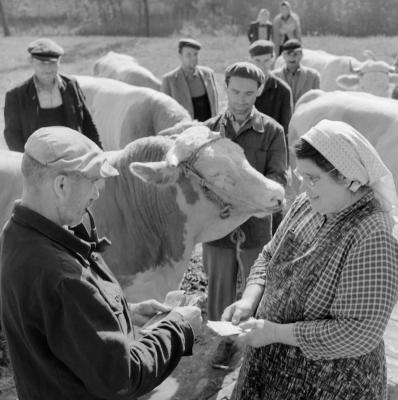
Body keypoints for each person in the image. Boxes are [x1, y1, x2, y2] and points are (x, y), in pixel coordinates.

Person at [0, 126, 202, 400]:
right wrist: (179, 326)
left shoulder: (16, 233)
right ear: (61, 185)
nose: (97, 194)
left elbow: (60, 322)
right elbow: (123, 377)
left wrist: (123, 312)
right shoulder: (64, 278)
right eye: (93, 181)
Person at [222, 119, 398, 400]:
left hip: (331, 384)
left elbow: (358, 331)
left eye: (313, 178)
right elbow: (270, 255)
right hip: (269, 370)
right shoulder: (308, 204)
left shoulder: (373, 233)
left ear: (346, 176)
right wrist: (249, 300)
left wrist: (276, 333)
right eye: (300, 176)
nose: (304, 187)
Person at [204, 62, 287, 368]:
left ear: (260, 92)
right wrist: (215, 201)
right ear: (225, 87)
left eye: (249, 93)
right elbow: (197, 181)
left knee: (256, 285)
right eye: (235, 91)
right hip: (216, 225)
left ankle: (253, 344)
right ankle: (225, 342)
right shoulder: (208, 130)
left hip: (255, 224)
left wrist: (245, 203)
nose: (241, 99)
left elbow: (278, 179)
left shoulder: (272, 132)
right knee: (219, 287)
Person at [3, 38, 102, 152]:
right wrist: (27, 162)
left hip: (72, 156)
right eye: (42, 63)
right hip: (36, 160)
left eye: (53, 63)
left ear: (59, 61)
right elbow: (12, 134)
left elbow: (88, 124)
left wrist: (100, 155)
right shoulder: (16, 95)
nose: (48, 69)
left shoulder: (71, 85)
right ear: (31, 61)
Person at [249, 39, 292, 235]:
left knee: (273, 200)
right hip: (248, 152)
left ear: (274, 60)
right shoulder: (245, 89)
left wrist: (285, 165)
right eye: (257, 61)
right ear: (250, 60)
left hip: (273, 153)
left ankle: (274, 244)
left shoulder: (282, 90)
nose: (262, 66)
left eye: (266, 61)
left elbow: (286, 130)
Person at [161, 38, 218, 121]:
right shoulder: (169, 80)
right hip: (185, 132)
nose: (193, 58)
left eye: (195, 54)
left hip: (209, 129)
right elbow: (165, 113)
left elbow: (214, 106)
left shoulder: (208, 74)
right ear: (180, 56)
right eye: (188, 55)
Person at [273, 39, 320, 106]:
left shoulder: (313, 76)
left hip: (304, 114)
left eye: (296, 54)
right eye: (288, 53)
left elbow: (317, 101)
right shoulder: (274, 77)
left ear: (301, 55)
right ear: (283, 55)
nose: (292, 57)